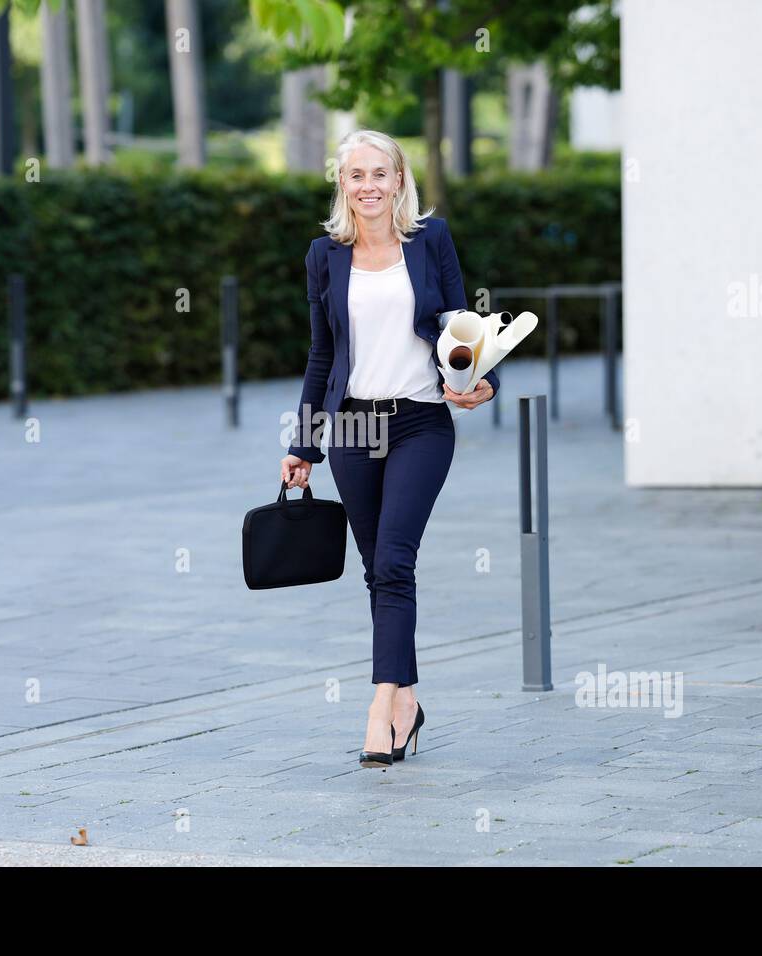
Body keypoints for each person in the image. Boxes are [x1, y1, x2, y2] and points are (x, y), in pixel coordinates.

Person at [279, 129, 497, 770]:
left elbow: (463, 328)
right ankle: (408, 702)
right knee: (378, 572)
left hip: (420, 423)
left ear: (400, 180)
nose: (368, 185)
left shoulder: (430, 241)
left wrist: (479, 379)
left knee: (395, 562)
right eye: (356, 175)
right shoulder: (324, 255)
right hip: (352, 429)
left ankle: (379, 708)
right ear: (341, 185)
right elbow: (322, 354)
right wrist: (304, 444)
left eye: (381, 173)